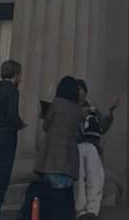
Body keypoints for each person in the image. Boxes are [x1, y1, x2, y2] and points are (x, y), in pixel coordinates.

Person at [26, 76, 84, 220]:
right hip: (70, 158)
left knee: (51, 195)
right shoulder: (78, 110)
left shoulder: (57, 103)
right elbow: (79, 131)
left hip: (53, 155)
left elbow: (46, 125)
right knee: (65, 195)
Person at [0, 60, 26, 220]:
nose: (21, 78)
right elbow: (12, 115)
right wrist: (21, 124)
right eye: (20, 75)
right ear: (15, 75)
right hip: (5, 138)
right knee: (0, 180)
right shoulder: (12, 91)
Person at [74, 79, 119, 220]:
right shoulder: (70, 109)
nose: (78, 92)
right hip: (76, 145)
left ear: (85, 92)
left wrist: (111, 111)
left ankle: (93, 210)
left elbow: (103, 127)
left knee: (95, 177)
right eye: (76, 89)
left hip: (92, 146)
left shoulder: (93, 110)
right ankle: (81, 211)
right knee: (78, 178)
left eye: (80, 89)